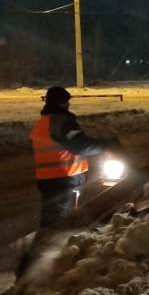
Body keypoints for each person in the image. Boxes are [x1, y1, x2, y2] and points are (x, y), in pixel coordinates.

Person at [30, 86, 113, 229]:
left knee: (51, 217)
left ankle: (44, 244)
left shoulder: (42, 123)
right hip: (66, 178)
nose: (68, 104)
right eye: (66, 101)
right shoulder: (62, 122)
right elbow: (79, 145)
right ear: (62, 102)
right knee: (64, 219)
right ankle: (57, 248)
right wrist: (105, 146)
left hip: (45, 179)